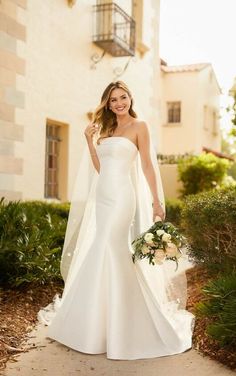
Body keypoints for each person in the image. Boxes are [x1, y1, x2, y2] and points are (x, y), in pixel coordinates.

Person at [39, 81, 194, 360]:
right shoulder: (107, 129)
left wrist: (157, 201)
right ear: (108, 104)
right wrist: (89, 140)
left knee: (112, 247)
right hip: (104, 196)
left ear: (130, 98)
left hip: (123, 197)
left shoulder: (139, 126)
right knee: (102, 246)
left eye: (123, 97)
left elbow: (147, 164)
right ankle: (94, 323)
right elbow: (101, 167)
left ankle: (128, 323)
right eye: (113, 100)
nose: (119, 103)